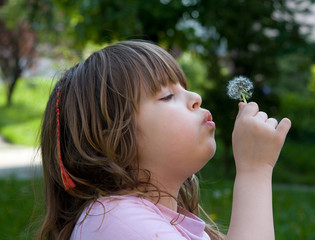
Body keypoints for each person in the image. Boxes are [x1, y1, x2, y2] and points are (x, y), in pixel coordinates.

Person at [37, 40, 291, 240]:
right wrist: (255, 170)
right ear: (113, 139)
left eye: (184, 87)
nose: (195, 96)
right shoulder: (115, 220)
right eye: (168, 96)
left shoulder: (140, 220)